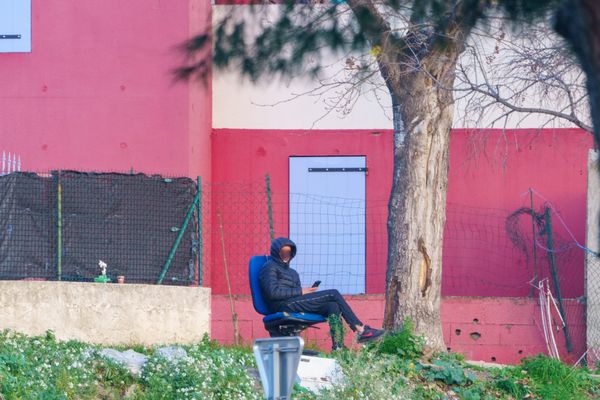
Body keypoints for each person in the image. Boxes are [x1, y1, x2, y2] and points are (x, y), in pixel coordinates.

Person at [259, 237, 385, 350]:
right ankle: (361, 329)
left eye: (288, 252)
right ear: (276, 252)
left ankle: (338, 347)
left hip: (293, 302)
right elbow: (272, 293)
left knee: (332, 306)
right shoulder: (269, 267)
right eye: (283, 252)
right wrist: (301, 291)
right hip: (280, 305)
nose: (286, 255)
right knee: (333, 293)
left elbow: (296, 296)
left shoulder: (293, 273)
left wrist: (305, 293)